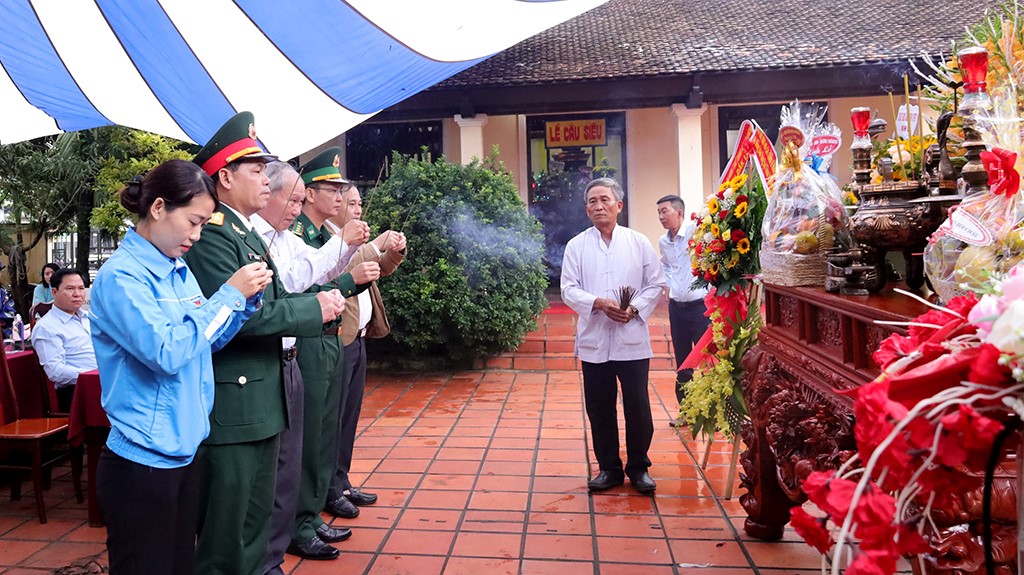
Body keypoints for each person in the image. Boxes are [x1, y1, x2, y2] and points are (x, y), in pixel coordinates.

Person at [90, 159, 271, 575]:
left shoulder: (177, 270)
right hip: (142, 464)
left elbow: (203, 343)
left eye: (204, 224)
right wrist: (227, 294)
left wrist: (244, 304)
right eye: (193, 221)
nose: (197, 235)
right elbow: (167, 353)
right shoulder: (122, 278)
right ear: (157, 208)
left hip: (184, 452)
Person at [183, 112, 346, 575]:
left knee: (254, 520)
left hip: (259, 393)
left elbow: (267, 300)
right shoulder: (215, 234)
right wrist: (313, 311)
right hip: (235, 400)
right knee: (227, 529)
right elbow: (241, 318)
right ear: (226, 177)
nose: (266, 182)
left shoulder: (243, 233)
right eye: (256, 170)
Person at [252, 159, 369, 574]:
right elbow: (300, 282)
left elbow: (317, 269)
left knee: (313, 438)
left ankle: (297, 528)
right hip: (291, 349)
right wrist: (344, 249)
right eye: (294, 198)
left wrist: (348, 247)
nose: (295, 207)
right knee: (286, 456)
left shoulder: (287, 236)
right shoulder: (254, 237)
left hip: (306, 348)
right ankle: (290, 534)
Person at [287, 148, 379, 561]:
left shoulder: (324, 234)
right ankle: (302, 520)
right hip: (310, 336)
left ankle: (313, 510)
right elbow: (307, 287)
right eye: (333, 188)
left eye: (344, 189)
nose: (341, 196)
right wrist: (349, 278)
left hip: (331, 334)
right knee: (310, 434)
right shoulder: (301, 236)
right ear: (310, 194)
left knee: (326, 430)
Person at [561, 177, 666, 494]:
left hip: (631, 339)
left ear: (619, 205)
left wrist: (633, 309)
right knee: (599, 407)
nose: (598, 206)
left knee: (637, 406)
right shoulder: (576, 245)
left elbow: (655, 282)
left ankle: (638, 468)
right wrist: (597, 302)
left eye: (604, 199)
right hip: (594, 341)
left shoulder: (638, 242)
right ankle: (608, 468)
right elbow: (567, 289)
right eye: (592, 201)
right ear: (586, 209)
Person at [323, 184, 406, 519]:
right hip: (337, 338)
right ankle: (327, 489)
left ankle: (341, 480)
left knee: (348, 417)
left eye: (359, 203)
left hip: (358, 337)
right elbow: (347, 268)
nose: (357, 209)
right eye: (350, 203)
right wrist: (374, 244)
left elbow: (376, 270)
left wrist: (395, 251)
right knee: (331, 418)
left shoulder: (354, 240)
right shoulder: (328, 239)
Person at [656, 195, 710, 417]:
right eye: (658, 212)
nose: (661, 217)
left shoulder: (695, 233)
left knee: (707, 360)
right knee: (683, 361)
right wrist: (668, 285)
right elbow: (667, 266)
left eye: (665, 211)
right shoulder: (663, 242)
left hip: (700, 308)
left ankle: (711, 411)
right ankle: (687, 412)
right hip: (677, 309)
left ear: (679, 213)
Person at [30, 268, 97, 412]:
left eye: (81, 288)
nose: (77, 294)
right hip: (78, 392)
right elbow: (56, 372)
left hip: (105, 383)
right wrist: (92, 375)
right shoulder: (47, 327)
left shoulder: (90, 317)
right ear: (54, 292)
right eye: (70, 289)